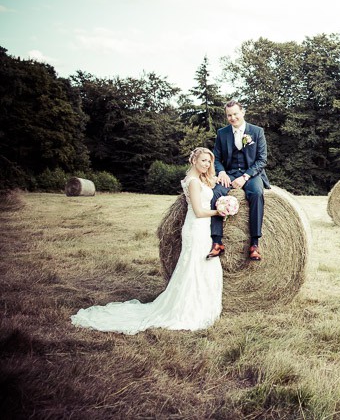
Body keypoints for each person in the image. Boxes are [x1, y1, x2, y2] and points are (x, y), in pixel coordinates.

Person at [71, 148, 225, 334]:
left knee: (201, 265)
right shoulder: (193, 182)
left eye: (209, 161)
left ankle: (200, 304)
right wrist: (219, 212)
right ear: (194, 161)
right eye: (203, 161)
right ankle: (188, 309)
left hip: (201, 228)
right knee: (195, 266)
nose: (207, 164)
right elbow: (200, 212)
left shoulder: (200, 179)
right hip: (196, 227)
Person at [208, 100, 270, 261]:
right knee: (214, 194)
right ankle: (216, 241)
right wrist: (221, 172)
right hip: (229, 173)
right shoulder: (222, 133)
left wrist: (245, 177)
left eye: (235, 114)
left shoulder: (257, 132)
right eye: (229, 115)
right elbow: (217, 158)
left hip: (251, 174)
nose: (233, 118)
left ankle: (255, 244)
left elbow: (262, 160)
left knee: (256, 193)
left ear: (242, 112)